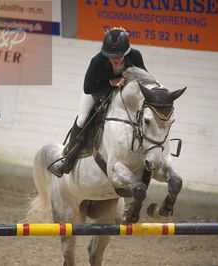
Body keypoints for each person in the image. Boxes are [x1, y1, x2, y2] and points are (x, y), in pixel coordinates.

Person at [48, 27, 148, 177]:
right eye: (113, 56)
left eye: (121, 55)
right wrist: (111, 82)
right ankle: (67, 158)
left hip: (123, 95)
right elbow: (88, 87)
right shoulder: (97, 61)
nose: (118, 59)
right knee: (82, 119)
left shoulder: (135, 55)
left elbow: (145, 77)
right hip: (98, 93)